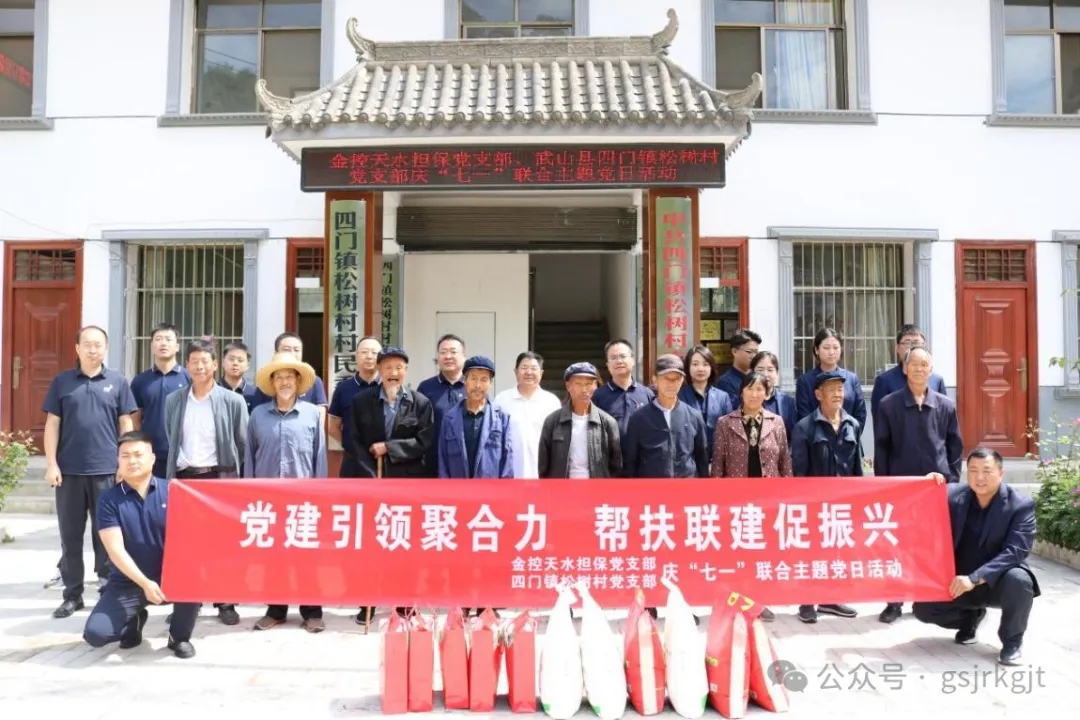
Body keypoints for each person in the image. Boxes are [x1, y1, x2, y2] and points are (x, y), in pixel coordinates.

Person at [43, 325, 138, 619]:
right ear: (77, 348)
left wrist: (124, 463)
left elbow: (126, 423)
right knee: (70, 535)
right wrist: (51, 464)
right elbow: (52, 425)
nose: (93, 349)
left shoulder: (117, 381)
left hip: (107, 471)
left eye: (98, 344)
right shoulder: (62, 382)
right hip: (69, 472)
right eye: (87, 344)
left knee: (107, 534)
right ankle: (73, 594)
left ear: (106, 349)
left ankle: (108, 587)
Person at [912, 448, 1039, 666]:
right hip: (959, 581)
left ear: (1001, 473)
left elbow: (1016, 551)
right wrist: (927, 486)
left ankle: (1012, 643)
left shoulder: (1020, 505)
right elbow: (918, 504)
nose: (979, 477)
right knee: (923, 609)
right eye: (973, 470)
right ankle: (970, 619)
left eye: (987, 471)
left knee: (1020, 580)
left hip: (998, 581)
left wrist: (974, 578)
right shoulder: (952, 495)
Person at [82, 431, 200, 659]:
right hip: (128, 581)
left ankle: (178, 637)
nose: (132, 461)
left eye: (138, 454)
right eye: (125, 456)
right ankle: (134, 620)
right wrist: (145, 583)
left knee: (193, 579)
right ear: (118, 460)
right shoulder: (109, 500)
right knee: (96, 634)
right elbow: (115, 549)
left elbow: (193, 539)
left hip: (171, 577)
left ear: (153, 458)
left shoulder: (174, 491)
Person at [874, 345, 964, 624]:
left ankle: (926, 599)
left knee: (930, 546)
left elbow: (955, 447)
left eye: (924, 365)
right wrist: (885, 487)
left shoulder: (945, 405)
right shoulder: (889, 405)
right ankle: (894, 601)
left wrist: (950, 481)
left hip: (935, 490)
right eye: (914, 364)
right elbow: (882, 448)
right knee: (896, 545)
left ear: (931, 370)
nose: (919, 369)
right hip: (901, 490)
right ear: (904, 368)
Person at [164, 338, 249, 626]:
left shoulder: (233, 401)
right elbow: (171, 437)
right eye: (194, 361)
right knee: (187, 546)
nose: (199, 366)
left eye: (205, 361)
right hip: (185, 480)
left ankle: (225, 601)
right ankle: (190, 601)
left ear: (215, 365)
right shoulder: (174, 400)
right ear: (186, 365)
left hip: (219, 478)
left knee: (222, 544)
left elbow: (242, 443)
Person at [246, 352, 328, 632]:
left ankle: (312, 611)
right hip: (268, 500)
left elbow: (319, 455)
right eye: (279, 377)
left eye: (289, 377)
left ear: (298, 381)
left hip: (303, 499)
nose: (284, 382)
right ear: (272, 383)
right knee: (273, 557)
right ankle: (276, 609)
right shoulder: (258, 415)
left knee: (307, 556)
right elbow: (250, 456)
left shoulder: (311, 414)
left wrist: (319, 494)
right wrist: (251, 494)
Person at [711, 371, 793, 622]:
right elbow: (718, 466)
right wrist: (718, 501)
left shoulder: (776, 422)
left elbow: (784, 462)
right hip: (737, 501)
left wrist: (787, 497)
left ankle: (759, 600)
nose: (755, 394)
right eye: (750, 388)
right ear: (741, 392)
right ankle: (737, 598)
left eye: (760, 389)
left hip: (767, 500)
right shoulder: (726, 423)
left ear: (767, 394)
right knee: (738, 551)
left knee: (763, 552)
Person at [790, 370, 861, 623]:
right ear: (818, 394)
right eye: (831, 390)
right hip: (814, 504)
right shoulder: (804, 427)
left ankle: (830, 598)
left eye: (840, 389)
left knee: (837, 551)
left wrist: (858, 500)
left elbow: (857, 467)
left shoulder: (852, 424)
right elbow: (799, 472)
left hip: (842, 503)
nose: (837, 394)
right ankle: (807, 601)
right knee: (812, 553)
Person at [623, 354, 709, 480]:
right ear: (655, 379)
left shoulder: (694, 416)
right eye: (666, 378)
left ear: (682, 380)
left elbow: (702, 458)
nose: (671, 384)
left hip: (687, 486)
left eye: (676, 379)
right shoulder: (638, 418)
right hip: (651, 487)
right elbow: (630, 461)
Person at [537, 362, 622, 479]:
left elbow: (616, 466)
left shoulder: (608, 422)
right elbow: (543, 465)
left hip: (597, 487)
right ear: (568, 386)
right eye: (578, 384)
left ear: (595, 386)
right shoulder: (552, 421)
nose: (584, 389)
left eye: (588, 384)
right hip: (562, 487)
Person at [437, 356, 513, 480]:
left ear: (490, 384)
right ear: (464, 380)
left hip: (490, 490)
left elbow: (507, 464)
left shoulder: (502, 418)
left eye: (484, 380)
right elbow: (443, 463)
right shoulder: (450, 419)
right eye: (473, 378)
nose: (478, 385)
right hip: (457, 489)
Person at [129, 322, 190, 479]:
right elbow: (135, 420)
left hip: (185, 454)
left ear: (177, 346)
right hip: (151, 454)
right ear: (152, 346)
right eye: (158, 339)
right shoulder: (140, 381)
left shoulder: (189, 378)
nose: (163, 343)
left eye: (168, 339)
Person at [494, 351, 562, 479]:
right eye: (524, 368)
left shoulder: (552, 402)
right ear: (516, 372)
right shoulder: (501, 400)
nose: (529, 372)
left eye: (534, 368)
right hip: (509, 474)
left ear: (541, 373)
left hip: (541, 475)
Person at [794, 328, 867, 434]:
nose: (831, 352)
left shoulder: (852, 378)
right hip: (816, 440)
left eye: (836, 347)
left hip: (847, 438)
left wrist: (848, 436)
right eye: (826, 348)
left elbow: (860, 414)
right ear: (817, 350)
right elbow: (804, 415)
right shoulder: (805, 381)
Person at [870, 324, 946, 424]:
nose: (912, 347)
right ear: (897, 348)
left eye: (916, 343)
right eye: (907, 343)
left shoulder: (936, 380)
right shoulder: (884, 381)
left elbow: (944, 417)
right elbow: (879, 420)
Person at [329, 336, 382, 478]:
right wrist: (351, 445)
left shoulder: (387, 387)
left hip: (383, 460)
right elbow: (333, 427)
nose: (369, 356)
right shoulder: (343, 388)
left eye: (374, 352)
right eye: (364, 352)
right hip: (353, 462)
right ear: (356, 356)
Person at [417, 334, 467, 475]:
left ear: (464, 357)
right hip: (433, 463)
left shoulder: (472, 387)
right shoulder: (426, 388)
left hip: (464, 463)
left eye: (453, 352)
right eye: (443, 352)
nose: (448, 356)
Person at [677, 345, 732, 466]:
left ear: (711, 367)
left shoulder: (723, 397)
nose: (700, 369)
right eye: (695, 364)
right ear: (688, 367)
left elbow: (729, 433)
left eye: (705, 364)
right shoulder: (679, 396)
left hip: (716, 461)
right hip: (687, 463)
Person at [591, 339, 654, 435]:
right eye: (613, 358)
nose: (619, 361)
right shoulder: (598, 396)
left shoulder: (647, 394)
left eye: (623, 356)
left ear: (633, 360)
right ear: (607, 365)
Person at [748, 351, 796, 443]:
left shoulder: (787, 401)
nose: (765, 374)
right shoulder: (744, 399)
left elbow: (793, 436)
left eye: (770, 370)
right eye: (760, 370)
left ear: (777, 373)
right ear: (752, 372)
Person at [716, 328, 761, 406]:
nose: (753, 356)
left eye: (756, 352)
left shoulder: (759, 377)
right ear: (734, 351)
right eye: (749, 352)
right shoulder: (725, 382)